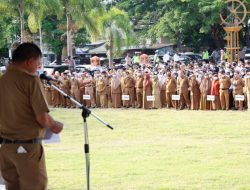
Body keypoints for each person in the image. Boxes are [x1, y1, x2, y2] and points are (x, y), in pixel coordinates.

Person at [0, 43, 63, 190]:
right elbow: (42, 118)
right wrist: (54, 125)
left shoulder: (2, 81)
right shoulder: (30, 80)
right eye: (38, 63)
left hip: (6, 149)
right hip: (27, 148)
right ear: (30, 61)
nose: (38, 68)